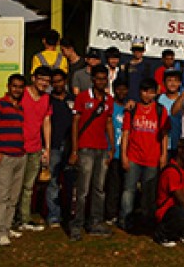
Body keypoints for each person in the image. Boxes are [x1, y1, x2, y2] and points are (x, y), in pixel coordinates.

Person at [68, 65, 115, 241]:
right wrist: (74, 149)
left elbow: (109, 123)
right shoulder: (82, 97)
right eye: (99, 78)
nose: (101, 81)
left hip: (102, 148)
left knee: (99, 189)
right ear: (93, 80)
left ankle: (95, 222)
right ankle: (77, 224)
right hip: (85, 148)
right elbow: (75, 123)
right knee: (82, 190)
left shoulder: (109, 100)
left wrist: (112, 147)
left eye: (105, 78)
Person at [120, 78, 170, 230]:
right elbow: (126, 133)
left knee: (149, 192)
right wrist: (124, 155)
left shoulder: (160, 110)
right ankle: (125, 220)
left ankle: (147, 221)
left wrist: (163, 155)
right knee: (129, 190)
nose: (147, 95)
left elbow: (164, 134)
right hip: (133, 156)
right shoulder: (133, 109)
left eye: (151, 92)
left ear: (156, 93)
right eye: (144, 91)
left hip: (152, 158)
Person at [0, 74, 27, 246]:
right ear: (8, 86)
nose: (17, 90)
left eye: (20, 87)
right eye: (14, 86)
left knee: (14, 196)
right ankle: (0, 232)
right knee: (2, 195)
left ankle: (8, 226)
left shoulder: (20, 108)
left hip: (20, 156)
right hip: (4, 156)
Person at [15, 66, 52, 232]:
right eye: (41, 79)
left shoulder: (46, 99)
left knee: (29, 186)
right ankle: (10, 218)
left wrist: (47, 148)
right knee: (14, 185)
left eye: (47, 81)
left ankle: (25, 218)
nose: (44, 83)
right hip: (18, 147)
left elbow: (46, 122)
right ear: (33, 78)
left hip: (35, 147)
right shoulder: (22, 93)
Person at [45, 69, 75, 228]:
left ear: (65, 81)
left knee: (70, 182)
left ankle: (69, 213)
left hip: (71, 147)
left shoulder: (73, 99)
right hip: (54, 146)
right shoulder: (47, 101)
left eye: (60, 81)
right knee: (53, 182)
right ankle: (54, 216)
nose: (57, 84)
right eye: (54, 82)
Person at [104, 78, 129, 225]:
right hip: (111, 152)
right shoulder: (110, 106)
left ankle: (121, 213)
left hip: (125, 153)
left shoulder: (129, 108)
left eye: (124, 89)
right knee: (111, 185)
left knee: (123, 185)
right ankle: (110, 214)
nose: (121, 92)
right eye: (118, 89)